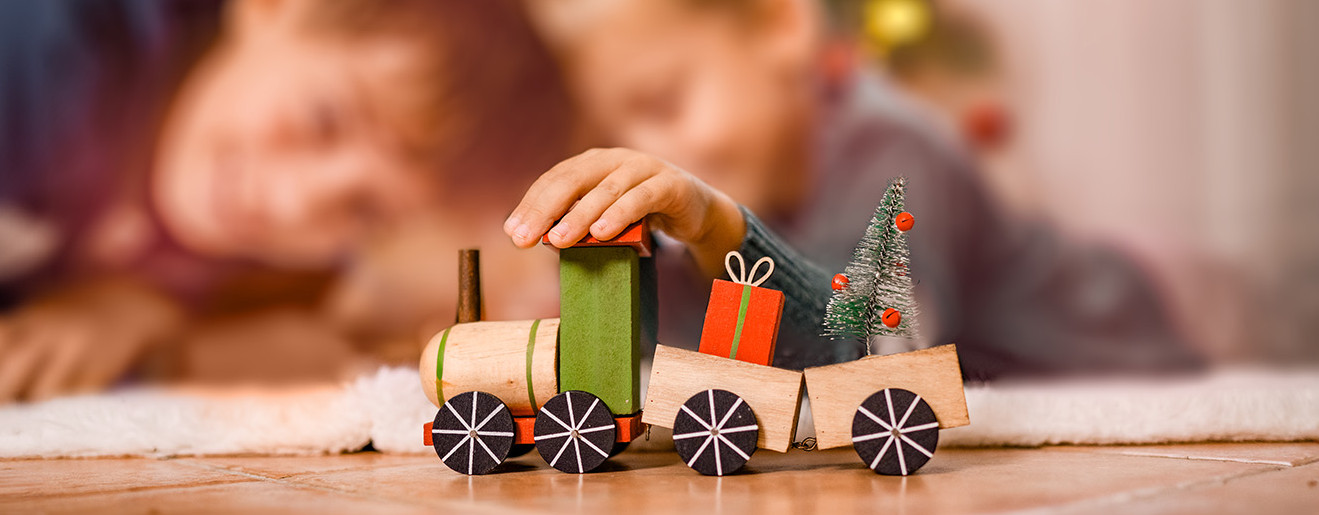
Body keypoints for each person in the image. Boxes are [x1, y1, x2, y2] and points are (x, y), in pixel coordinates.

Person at [514, 0, 1204, 378]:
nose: (656, 149)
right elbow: (723, 353)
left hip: (1108, 351)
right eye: (619, 124)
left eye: (664, 102)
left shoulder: (895, 148)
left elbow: (873, 345)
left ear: (780, 25)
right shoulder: (766, 178)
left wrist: (716, 223)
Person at [0, 0, 574, 401]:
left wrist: (139, 308)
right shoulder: (41, 59)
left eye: (363, 210)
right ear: (270, 6)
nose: (296, 205)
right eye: (322, 119)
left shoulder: (276, 269)